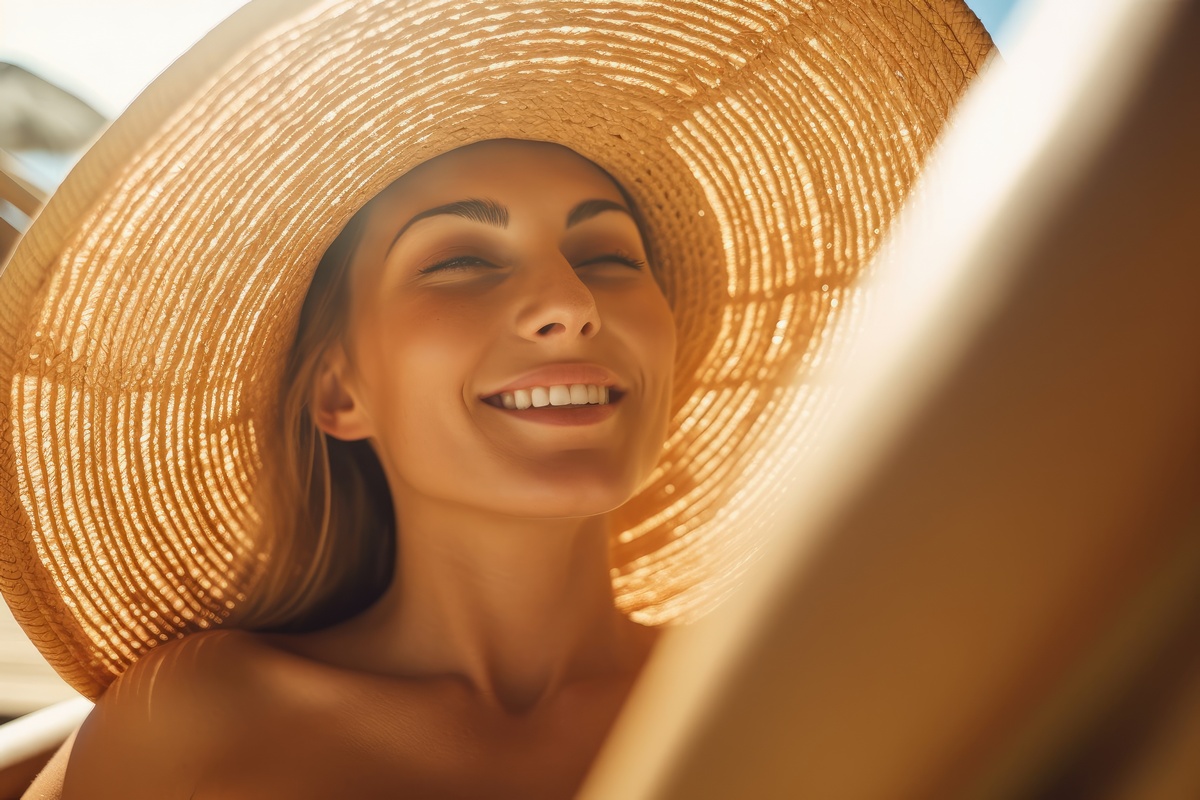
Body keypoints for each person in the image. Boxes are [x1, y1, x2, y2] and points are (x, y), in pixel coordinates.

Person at [0, 0, 991, 797]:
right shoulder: (195, 721)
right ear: (340, 390)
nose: (570, 301)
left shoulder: (807, 691)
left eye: (609, 254)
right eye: (461, 260)